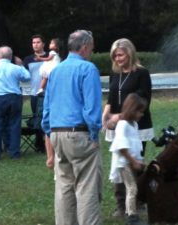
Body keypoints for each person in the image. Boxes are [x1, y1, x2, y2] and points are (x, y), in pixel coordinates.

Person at [41, 30, 103, 225]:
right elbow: (92, 108)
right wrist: (94, 134)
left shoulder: (56, 70)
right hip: (79, 133)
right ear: (85, 47)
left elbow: (47, 108)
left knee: (64, 186)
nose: (92, 51)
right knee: (87, 187)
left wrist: (49, 131)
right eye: (92, 47)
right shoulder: (88, 69)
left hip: (57, 133)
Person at [102, 38, 154, 217]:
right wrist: (106, 115)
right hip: (117, 125)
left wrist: (120, 117)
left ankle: (137, 202)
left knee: (134, 162)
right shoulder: (115, 73)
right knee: (119, 163)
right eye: (115, 55)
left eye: (121, 54)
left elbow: (142, 99)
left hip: (136, 125)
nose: (117, 58)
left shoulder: (141, 73)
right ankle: (120, 204)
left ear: (130, 53)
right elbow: (111, 97)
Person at [0, 46, 31, 160]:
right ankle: (14, 153)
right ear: (11, 56)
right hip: (14, 97)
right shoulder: (16, 68)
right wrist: (21, 65)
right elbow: (27, 77)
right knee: (14, 125)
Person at [109, 93, 147, 225]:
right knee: (132, 188)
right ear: (132, 109)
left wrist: (138, 160)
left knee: (132, 187)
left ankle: (129, 212)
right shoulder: (123, 125)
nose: (141, 115)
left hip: (130, 162)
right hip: (124, 163)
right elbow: (122, 147)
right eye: (140, 111)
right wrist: (133, 161)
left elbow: (134, 145)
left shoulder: (134, 125)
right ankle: (131, 216)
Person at [23, 34, 48, 152]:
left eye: (38, 42)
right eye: (33, 43)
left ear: (43, 44)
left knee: (48, 118)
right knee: (37, 119)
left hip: (49, 94)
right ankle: (39, 144)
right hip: (34, 94)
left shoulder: (50, 57)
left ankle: (49, 143)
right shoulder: (28, 60)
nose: (35, 45)